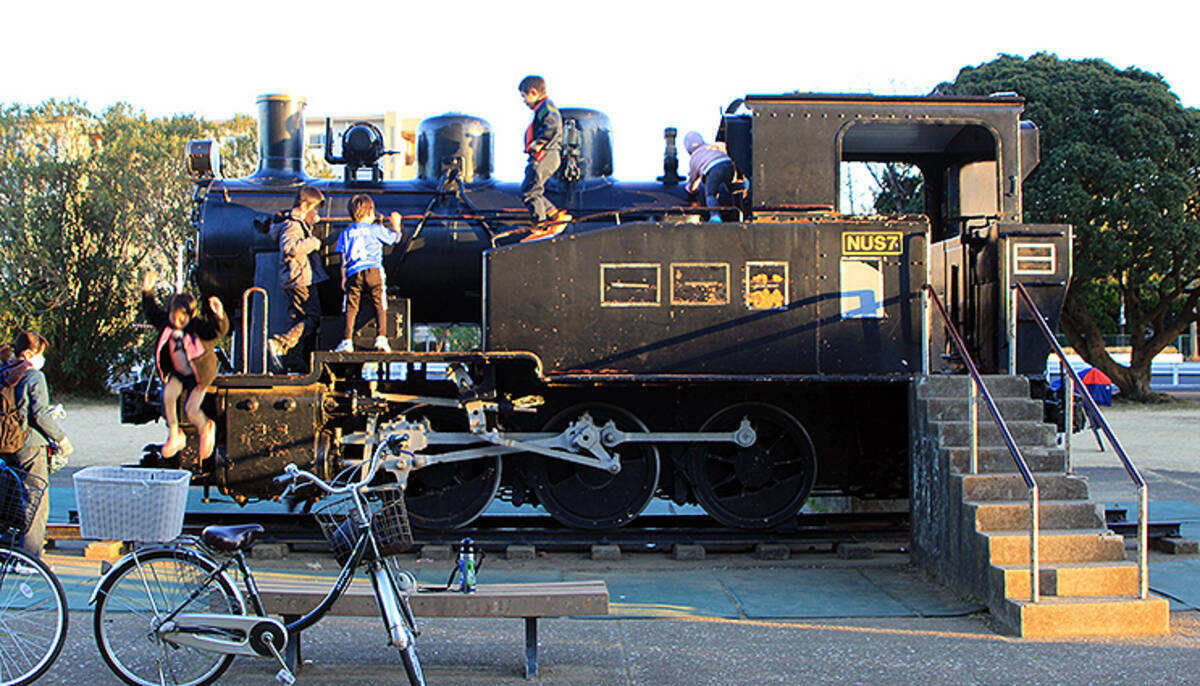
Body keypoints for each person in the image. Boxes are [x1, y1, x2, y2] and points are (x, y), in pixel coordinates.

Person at [141, 270, 229, 463]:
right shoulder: (166, 323)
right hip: (178, 373)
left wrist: (219, 315)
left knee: (191, 408)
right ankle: (175, 434)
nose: (177, 322)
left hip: (199, 374)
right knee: (168, 396)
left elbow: (216, 331)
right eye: (174, 317)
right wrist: (147, 291)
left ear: (191, 315)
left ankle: (206, 427)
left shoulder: (197, 327)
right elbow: (151, 312)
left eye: (182, 319)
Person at [0, 332, 72, 560]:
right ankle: (30, 559)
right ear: (30, 353)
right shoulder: (34, 376)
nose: (42, 359)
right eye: (40, 354)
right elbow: (39, 415)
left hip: (8, 443)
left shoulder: (5, 371)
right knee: (36, 503)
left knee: (13, 500)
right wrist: (61, 438)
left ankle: (10, 549)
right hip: (31, 446)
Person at [267, 185, 329, 369]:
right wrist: (313, 242)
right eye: (314, 209)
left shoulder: (295, 224)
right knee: (312, 317)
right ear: (303, 207)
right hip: (300, 278)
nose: (316, 213)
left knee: (297, 318)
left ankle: (293, 360)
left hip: (294, 278)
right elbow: (290, 248)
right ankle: (282, 343)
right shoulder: (292, 226)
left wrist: (310, 224)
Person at [334, 194, 401, 353]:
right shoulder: (376, 229)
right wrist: (396, 225)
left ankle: (347, 340)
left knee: (351, 306)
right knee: (379, 302)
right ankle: (381, 338)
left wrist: (343, 277)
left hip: (353, 272)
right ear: (370, 212)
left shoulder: (346, 233)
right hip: (373, 270)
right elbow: (394, 239)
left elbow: (343, 257)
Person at [518, 75, 572, 238]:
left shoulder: (545, 108)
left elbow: (552, 124)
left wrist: (540, 142)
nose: (524, 101)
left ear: (533, 92)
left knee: (530, 191)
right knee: (533, 190)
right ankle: (555, 215)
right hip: (548, 154)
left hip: (545, 154)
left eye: (524, 96)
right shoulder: (543, 108)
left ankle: (540, 226)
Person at [683, 131, 735, 221]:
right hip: (728, 163)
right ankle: (743, 186)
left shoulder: (694, 157)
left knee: (711, 194)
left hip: (713, 169)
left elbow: (693, 177)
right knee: (730, 187)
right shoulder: (711, 147)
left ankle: (715, 216)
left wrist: (691, 188)